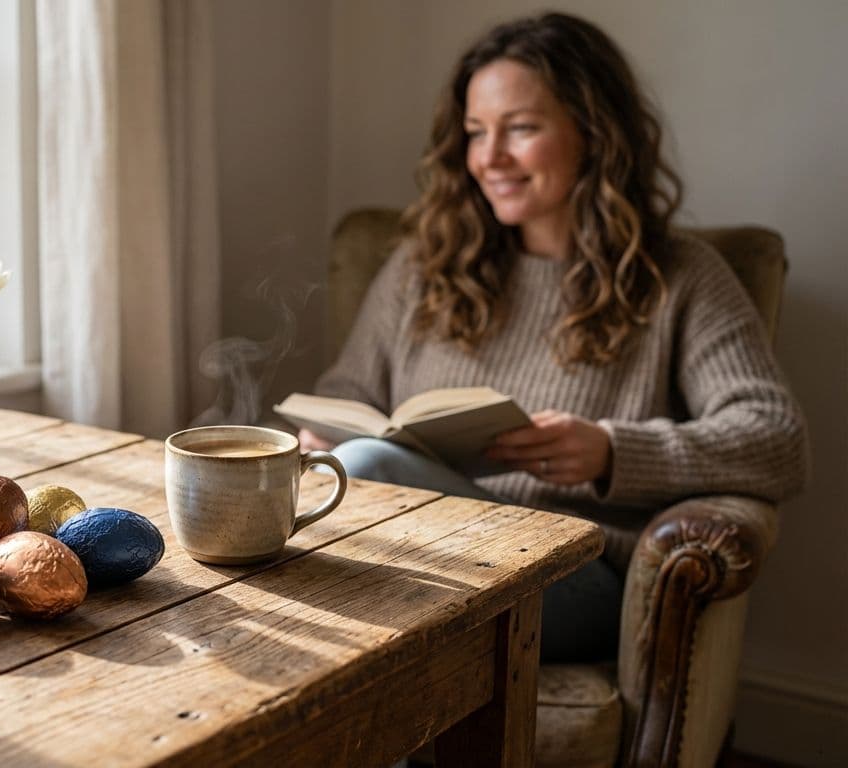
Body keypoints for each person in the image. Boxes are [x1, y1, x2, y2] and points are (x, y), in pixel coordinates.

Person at [305, 12, 808, 663]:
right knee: (347, 511)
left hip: (570, 576)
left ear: (595, 136)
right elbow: (346, 392)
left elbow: (778, 440)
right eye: (476, 133)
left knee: (367, 483)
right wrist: (323, 438)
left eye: (521, 128)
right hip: (415, 553)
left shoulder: (681, 277)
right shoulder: (424, 264)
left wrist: (610, 453)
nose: (490, 159)